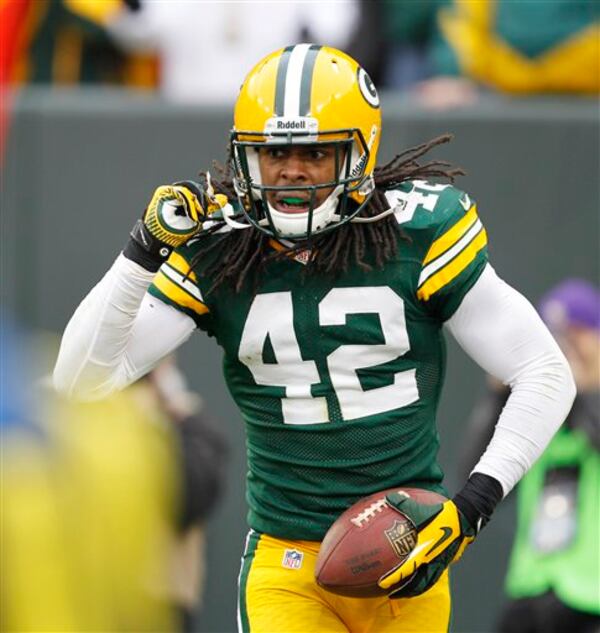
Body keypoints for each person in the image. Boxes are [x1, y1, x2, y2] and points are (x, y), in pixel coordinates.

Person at [53, 45, 576, 632]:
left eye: (315, 152)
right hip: (286, 560)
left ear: (360, 154)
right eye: (274, 153)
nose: (292, 170)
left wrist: (474, 503)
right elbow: (79, 384)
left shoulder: (415, 232)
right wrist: (141, 253)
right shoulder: (219, 246)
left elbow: (544, 371)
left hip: (409, 553)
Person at [461, 279, 600, 633]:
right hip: (530, 592)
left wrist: (579, 387)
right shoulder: (540, 422)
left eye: (575, 338)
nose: (564, 352)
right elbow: (471, 476)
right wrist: (498, 395)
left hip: (591, 597)